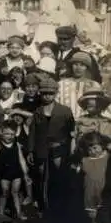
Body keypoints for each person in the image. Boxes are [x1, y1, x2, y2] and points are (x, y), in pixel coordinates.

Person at [27, 78, 75, 213]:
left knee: (58, 176)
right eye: (44, 93)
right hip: (41, 148)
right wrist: (31, 151)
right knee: (42, 175)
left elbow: (71, 132)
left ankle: (59, 205)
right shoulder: (38, 111)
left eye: (50, 93)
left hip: (59, 149)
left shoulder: (65, 111)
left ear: (56, 94)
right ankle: (43, 205)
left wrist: (66, 146)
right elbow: (33, 132)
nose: (47, 96)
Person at [0, 120, 32, 219]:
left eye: (12, 134)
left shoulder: (16, 144)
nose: (10, 136)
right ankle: (1, 213)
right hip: (4, 172)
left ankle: (18, 213)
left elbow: (21, 159)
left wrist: (25, 174)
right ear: (1, 133)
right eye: (7, 134)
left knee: (15, 192)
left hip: (16, 171)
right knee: (4, 193)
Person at [78, 132, 109, 223]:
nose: (93, 151)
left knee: (103, 217)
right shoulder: (85, 160)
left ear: (102, 146)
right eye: (90, 149)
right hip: (90, 192)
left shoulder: (107, 157)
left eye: (95, 147)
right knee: (93, 217)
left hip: (103, 191)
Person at [57, 51, 100, 120]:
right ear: (71, 66)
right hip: (65, 121)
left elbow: (98, 106)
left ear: (87, 67)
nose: (78, 68)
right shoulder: (61, 84)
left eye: (82, 65)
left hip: (86, 123)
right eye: (75, 64)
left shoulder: (94, 85)